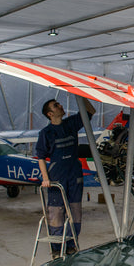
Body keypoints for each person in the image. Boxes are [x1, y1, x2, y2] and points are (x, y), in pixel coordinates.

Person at [35, 97, 95, 257]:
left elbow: (91, 111)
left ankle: (71, 244)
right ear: (49, 114)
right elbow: (41, 156)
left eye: (59, 103)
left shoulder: (71, 124)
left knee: (75, 210)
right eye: (56, 106)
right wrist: (45, 178)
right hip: (57, 177)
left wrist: (80, 95)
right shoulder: (45, 133)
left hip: (74, 174)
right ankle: (56, 248)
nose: (60, 106)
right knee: (56, 212)